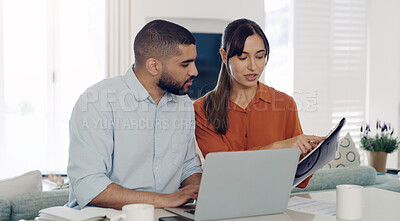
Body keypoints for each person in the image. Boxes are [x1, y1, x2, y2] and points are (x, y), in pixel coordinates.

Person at [67, 20, 202, 210]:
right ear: (153, 66)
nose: (194, 71)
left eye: (194, 62)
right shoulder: (98, 101)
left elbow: (188, 166)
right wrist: (165, 200)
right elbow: (88, 186)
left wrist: (199, 192)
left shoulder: (183, 104)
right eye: (185, 64)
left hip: (165, 215)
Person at [194, 18, 325, 188]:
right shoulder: (202, 110)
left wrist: (314, 153)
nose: (253, 67)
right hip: (225, 202)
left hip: (275, 201)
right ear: (224, 56)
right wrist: (279, 146)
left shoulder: (285, 104)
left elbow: (300, 179)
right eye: (243, 57)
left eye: (260, 56)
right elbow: (225, 170)